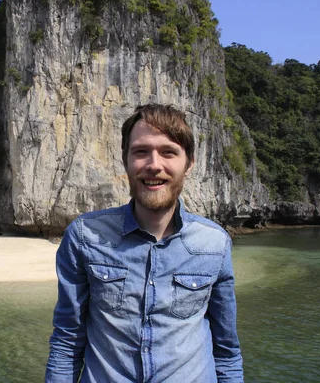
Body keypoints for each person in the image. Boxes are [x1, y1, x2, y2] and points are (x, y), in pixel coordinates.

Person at [45, 104, 243, 382]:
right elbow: (67, 341)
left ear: (189, 163)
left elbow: (226, 351)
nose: (154, 165)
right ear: (125, 160)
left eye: (168, 152)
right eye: (141, 151)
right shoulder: (85, 236)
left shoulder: (214, 243)